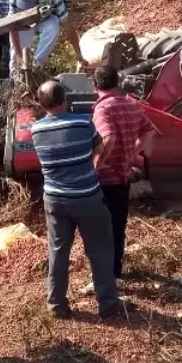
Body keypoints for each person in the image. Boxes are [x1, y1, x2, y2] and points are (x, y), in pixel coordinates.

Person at [29, 82, 126, 319]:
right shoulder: (83, 123)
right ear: (65, 100)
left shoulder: (36, 130)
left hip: (55, 200)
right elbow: (99, 147)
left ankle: (57, 304)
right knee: (100, 250)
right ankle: (107, 303)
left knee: (58, 251)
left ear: (41, 104)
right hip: (87, 198)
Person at [92, 66, 157, 281]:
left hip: (106, 179)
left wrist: (98, 164)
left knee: (101, 228)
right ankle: (115, 271)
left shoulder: (103, 110)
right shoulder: (131, 105)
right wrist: (132, 152)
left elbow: (108, 138)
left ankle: (104, 275)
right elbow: (149, 131)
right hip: (123, 177)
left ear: (95, 87)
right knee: (118, 226)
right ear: (117, 83)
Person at [7, 0, 83, 76]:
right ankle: (15, 78)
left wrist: (78, 53)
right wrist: (20, 57)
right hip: (23, 22)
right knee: (15, 55)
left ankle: (36, 68)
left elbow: (67, 25)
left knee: (53, 28)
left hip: (45, 18)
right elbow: (13, 28)